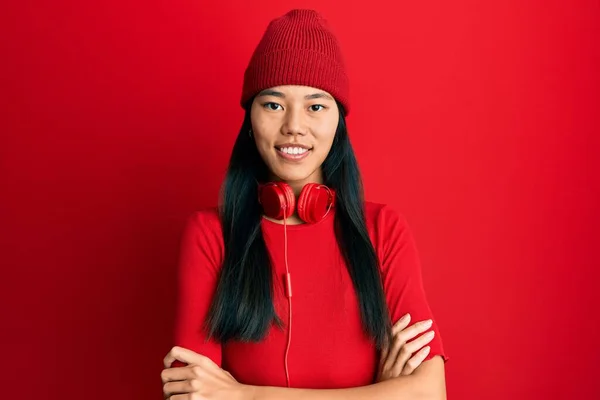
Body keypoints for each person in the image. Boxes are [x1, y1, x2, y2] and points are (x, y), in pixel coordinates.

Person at [161, 8, 448, 400]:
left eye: (316, 106)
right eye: (274, 104)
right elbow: (194, 395)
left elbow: (429, 393)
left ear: (338, 123)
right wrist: (380, 393)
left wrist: (243, 395)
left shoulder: (383, 229)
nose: (294, 125)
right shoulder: (210, 235)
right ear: (250, 119)